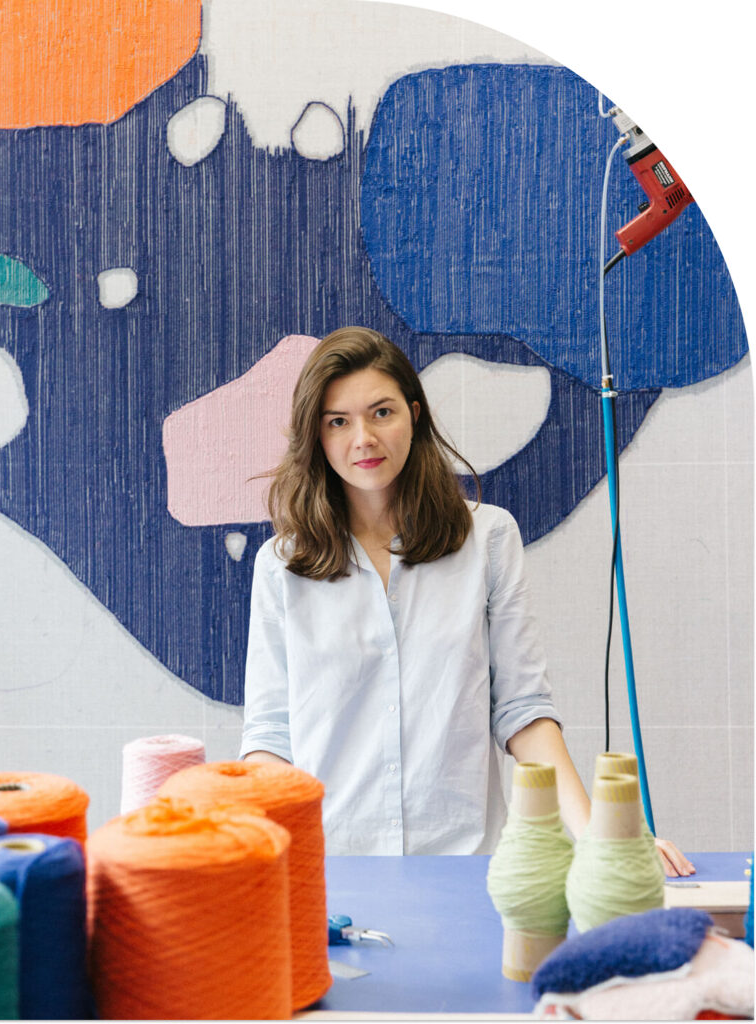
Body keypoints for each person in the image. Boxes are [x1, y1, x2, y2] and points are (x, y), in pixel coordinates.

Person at [239, 326, 693, 874]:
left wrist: (602, 835)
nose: (364, 438)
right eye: (338, 421)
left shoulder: (489, 539)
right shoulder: (280, 565)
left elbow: (524, 711)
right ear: (316, 434)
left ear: (414, 415)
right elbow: (270, 735)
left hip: (465, 865)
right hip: (330, 868)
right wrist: (253, 858)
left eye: (382, 413)